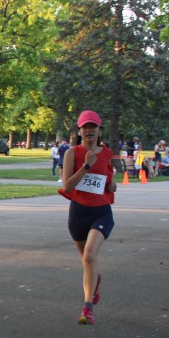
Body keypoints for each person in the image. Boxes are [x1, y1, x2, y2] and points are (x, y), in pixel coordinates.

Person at [60, 110, 117, 326]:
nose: (89, 130)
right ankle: (95, 280)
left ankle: (87, 308)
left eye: (93, 126)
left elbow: (107, 182)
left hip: (101, 212)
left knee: (90, 256)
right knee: (86, 261)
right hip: (78, 214)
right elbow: (67, 186)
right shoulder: (72, 153)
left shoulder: (107, 153)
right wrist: (86, 165)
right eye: (85, 127)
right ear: (79, 131)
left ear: (99, 129)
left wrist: (112, 186)